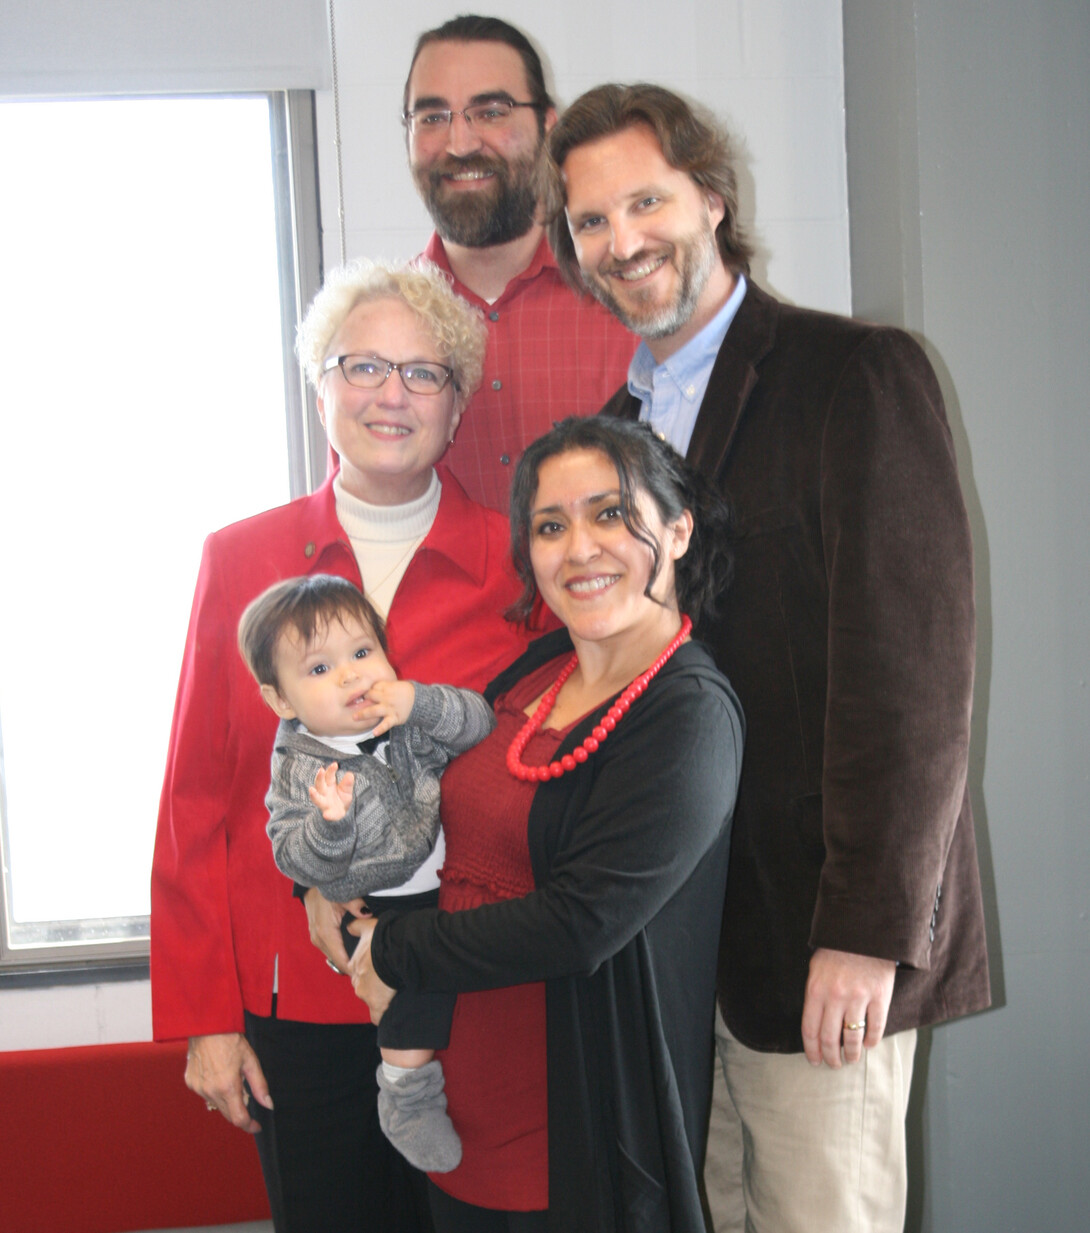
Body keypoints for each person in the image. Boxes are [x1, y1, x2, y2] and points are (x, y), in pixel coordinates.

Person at [545, 83, 991, 1232]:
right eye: (590, 220)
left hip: (817, 947)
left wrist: (866, 930)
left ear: (710, 196)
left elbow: (913, 682)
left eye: (645, 200)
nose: (622, 239)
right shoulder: (613, 438)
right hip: (679, 948)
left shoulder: (855, 376)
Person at [150, 258, 534, 1232]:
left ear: (456, 405)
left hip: (470, 995)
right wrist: (204, 1018)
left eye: (422, 373)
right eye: (362, 367)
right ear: (318, 385)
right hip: (297, 1005)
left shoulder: (520, 565)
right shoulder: (238, 559)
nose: (390, 396)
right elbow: (198, 799)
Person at [340, 415, 745, 1232]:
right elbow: (431, 808)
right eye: (551, 526)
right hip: (457, 1103)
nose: (579, 548)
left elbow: (580, 922)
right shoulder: (537, 667)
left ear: (677, 528)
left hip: (571, 1125)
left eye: (609, 514)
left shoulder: (689, 715)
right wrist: (329, 876)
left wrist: (392, 948)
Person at [238, 573, 498, 1174]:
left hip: (444, 884)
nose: (354, 675)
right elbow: (292, 857)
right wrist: (330, 826)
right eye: (320, 669)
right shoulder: (301, 768)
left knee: (454, 972)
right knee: (414, 1001)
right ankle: (406, 1095)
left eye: (362, 652)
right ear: (281, 701)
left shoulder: (402, 716)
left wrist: (420, 701)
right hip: (374, 906)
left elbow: (479, 723)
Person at [402, 14, 636, 511]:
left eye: (491, 111)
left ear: (548, 126)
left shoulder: (628, 299)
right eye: (432, 117)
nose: (460, 143)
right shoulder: (378, 331)